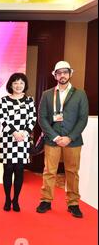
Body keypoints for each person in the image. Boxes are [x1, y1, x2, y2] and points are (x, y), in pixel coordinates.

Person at [36, 61, 89, 218]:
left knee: (72, 172)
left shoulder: (80, 94)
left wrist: (70, 137)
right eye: (59, 73)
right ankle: (46, 200)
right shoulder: (47, 94)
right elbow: (42, 118)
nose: (62, 75)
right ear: (55, 75)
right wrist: (56, 136)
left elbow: (82, 118)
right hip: (53, 140)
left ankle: (73, 203)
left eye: (65, 72)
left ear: (70, 74)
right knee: (49, 171)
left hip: (73, 141)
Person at [0, 73, 36, 212]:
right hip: (8, 139)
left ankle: (16, 200)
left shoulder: (30, 100)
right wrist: (14, 132)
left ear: (25, 85)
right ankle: (7, 199)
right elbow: (3, 118)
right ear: (11, 85)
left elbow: (32, 119)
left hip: (23, 139)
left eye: (21, 83)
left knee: (19, 170)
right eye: (15, 83)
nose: (18, 85)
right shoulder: (4, 100)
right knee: (8, 169)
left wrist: (24, 133)